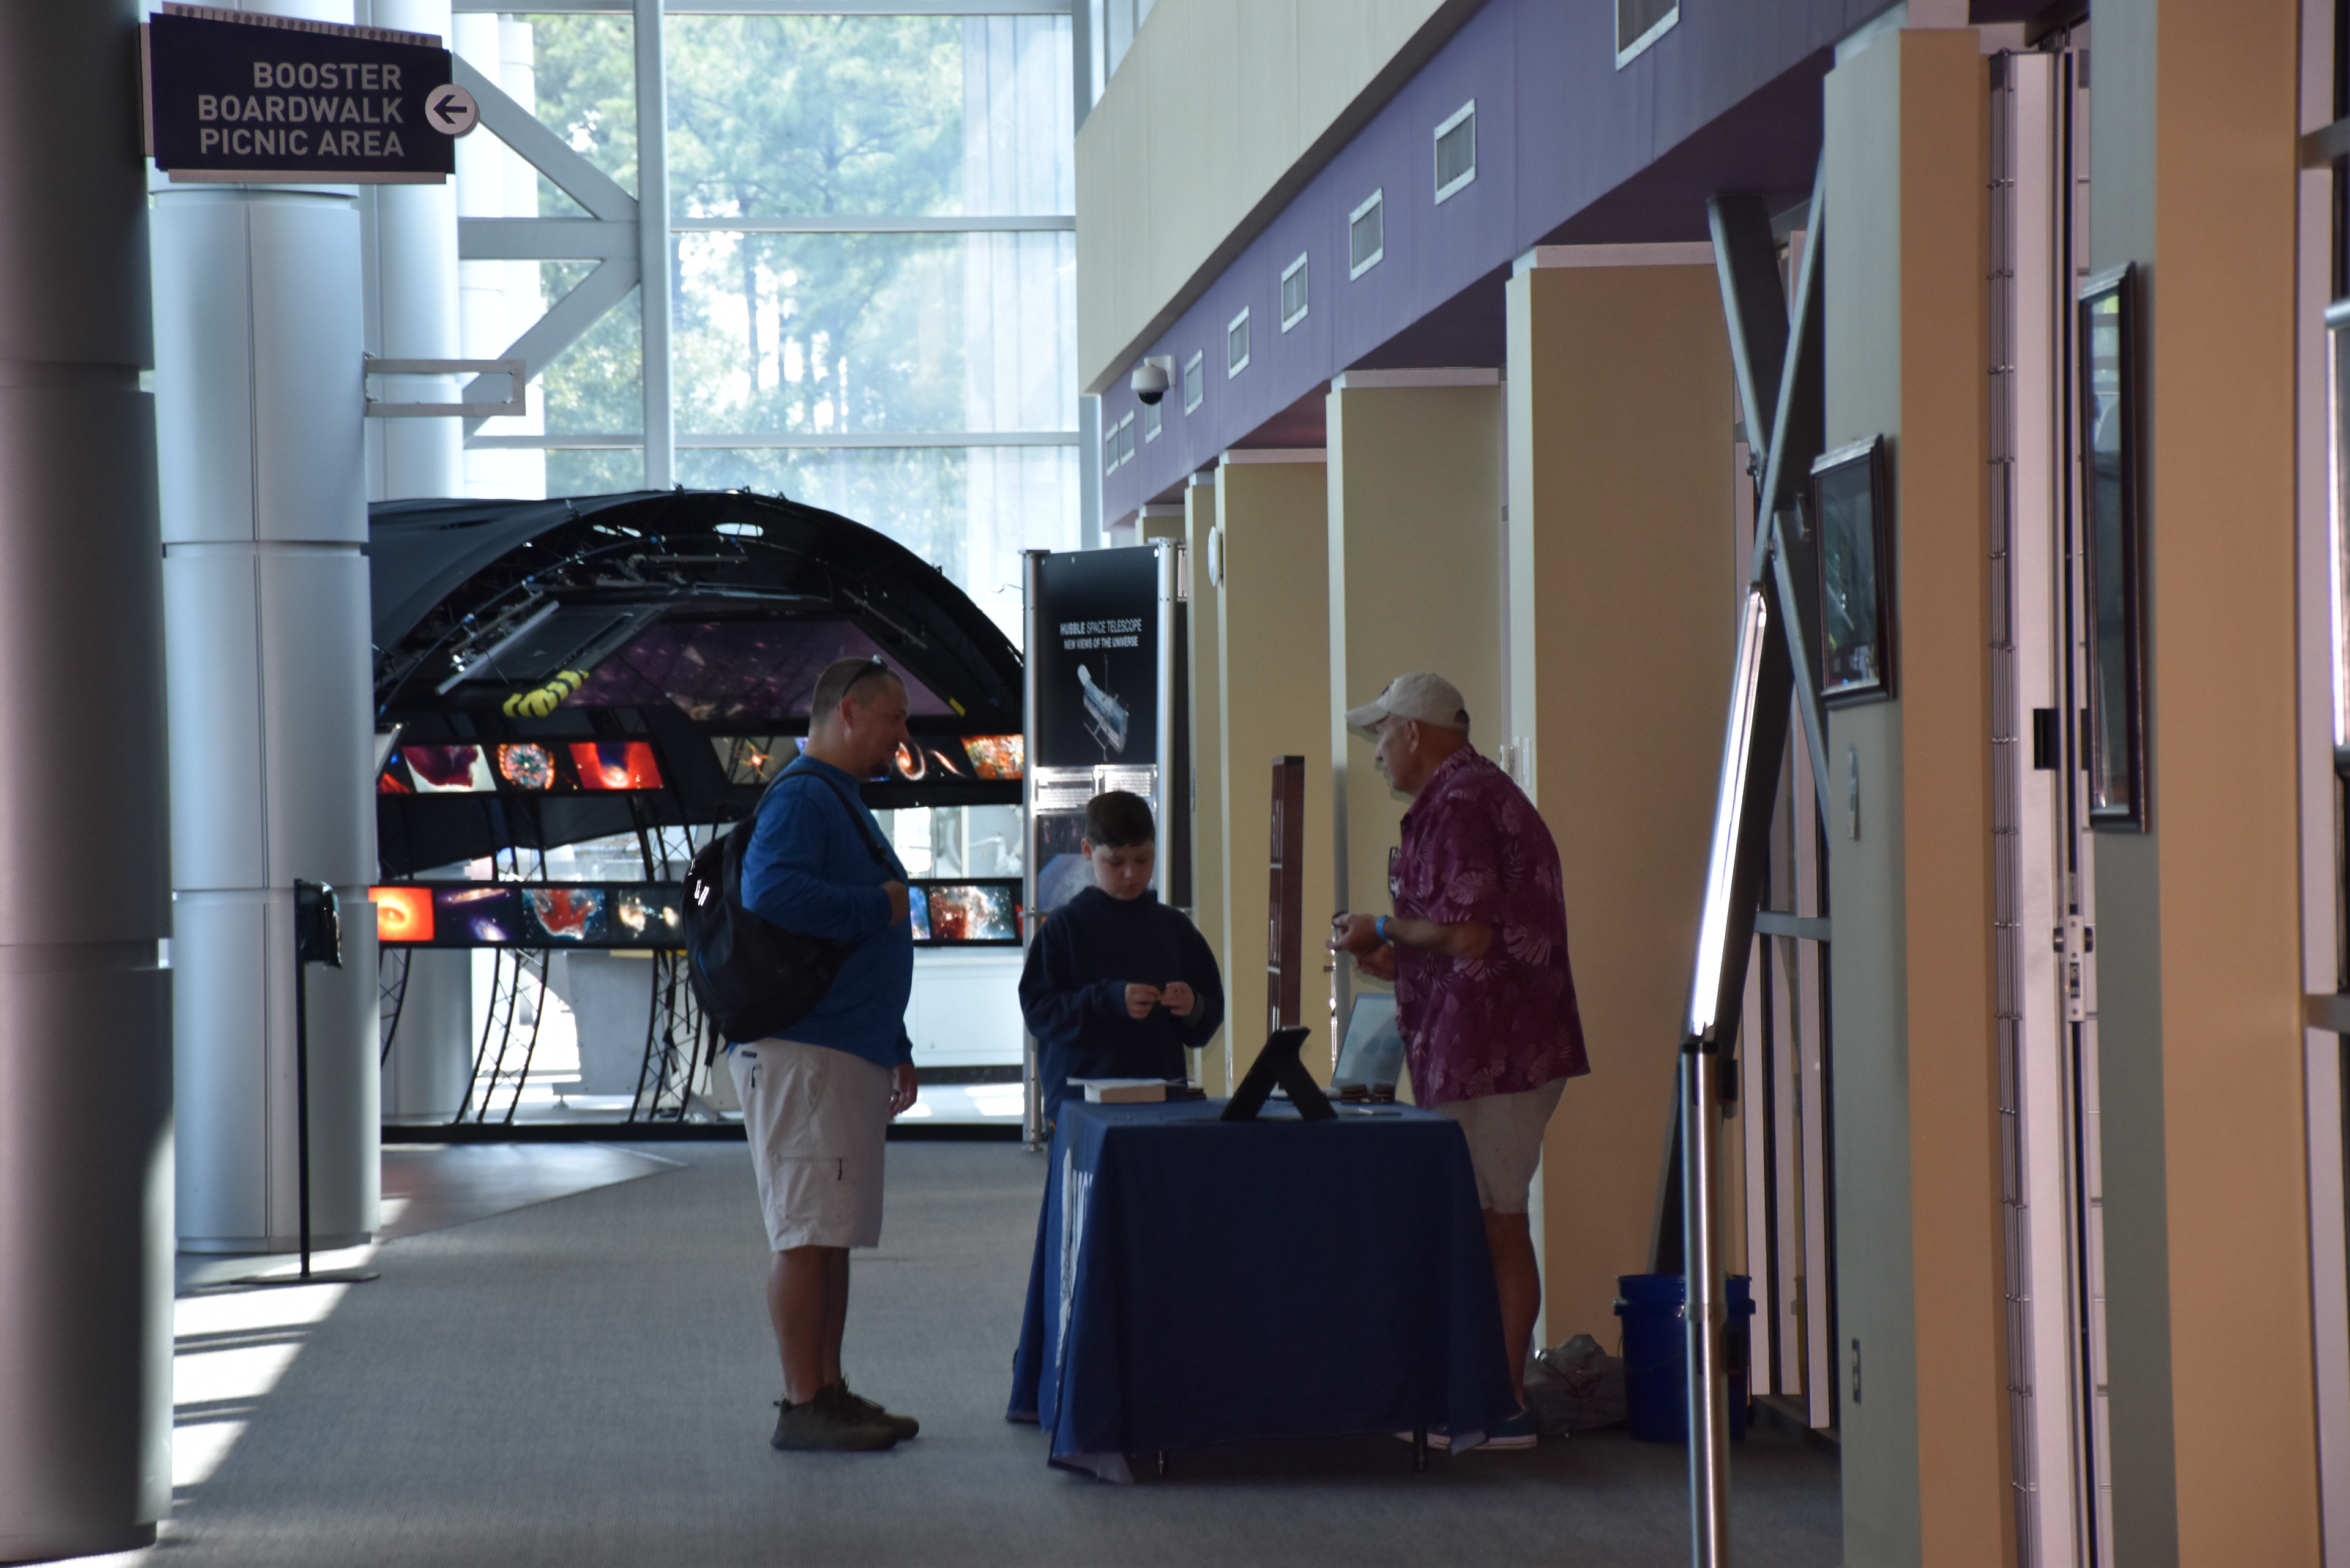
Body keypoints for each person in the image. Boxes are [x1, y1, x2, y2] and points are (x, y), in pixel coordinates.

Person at [1329, 671, 1587, 1451]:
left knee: (1497, 1225)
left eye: (1381, 737)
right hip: (1477, 1048)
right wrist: (1394, 956)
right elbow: (1459, 939)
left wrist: (1380, 923)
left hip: (1498, 1054)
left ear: (1413, 731)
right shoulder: (1455, 802)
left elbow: (1470, 935)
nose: (1376, 755)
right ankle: (1480, 1396)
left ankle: (1500, 1406)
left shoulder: (1464, 802)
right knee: (1481, 1223)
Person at [731, 655, 922, 1452]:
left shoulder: (838, 797)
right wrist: (874, 903)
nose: (901, 739)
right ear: (848, 711)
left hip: (845, 1045)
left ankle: (830, 1389)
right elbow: (768, 890)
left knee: (832, 1227)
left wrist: (895, 1042)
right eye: (893, 721)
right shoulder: (808, 794)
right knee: (807, 1229)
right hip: (806, 1049)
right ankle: (803, 1401)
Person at [1018, 790, 1225, 1127]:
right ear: (1087, 851)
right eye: (1116, 862)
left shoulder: (1175, 928)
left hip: (1162, 1105)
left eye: (1143, 860)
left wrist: (1193, 1006)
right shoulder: (1064, 927)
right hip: (1081, 1109)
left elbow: (1208, 1017)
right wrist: (1108, 1000)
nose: (1131, 873)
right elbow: (1039, 1013)